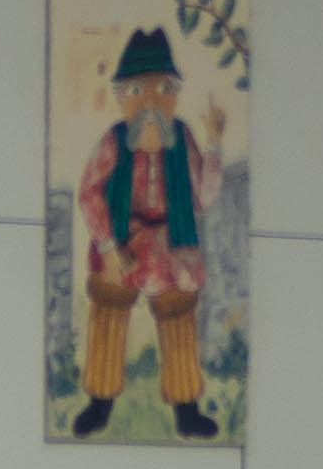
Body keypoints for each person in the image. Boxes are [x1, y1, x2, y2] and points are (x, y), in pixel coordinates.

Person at [73, 25, 225, 439]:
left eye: (163, 90)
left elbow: (202, 197)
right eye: (138, 92)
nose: (151, 104)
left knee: (178, 311)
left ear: (175, 94)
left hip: (171, 242)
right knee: (108, 307)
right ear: (123, 97)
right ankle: (99, 403)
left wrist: (213, 145)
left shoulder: (182, 139)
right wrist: (108, 245)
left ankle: (186, 409)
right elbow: (89, 193)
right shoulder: (113, 142)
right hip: (120, 240)